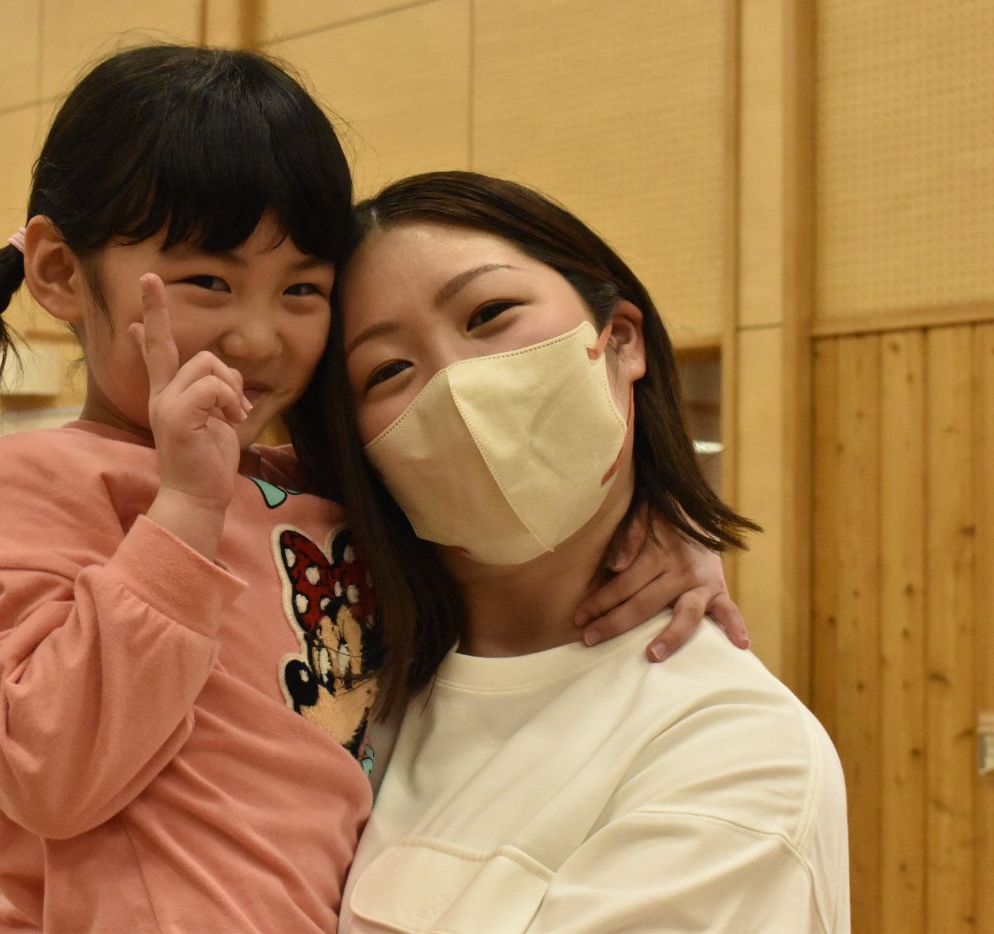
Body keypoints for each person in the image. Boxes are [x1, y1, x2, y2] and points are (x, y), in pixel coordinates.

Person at [0, 47, 746, 933]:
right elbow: (45, 772)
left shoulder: (318, 496)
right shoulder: (35, 486)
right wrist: (184, 512)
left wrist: (658, 538)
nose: (259, 336)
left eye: (302, 289)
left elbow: (497, 555)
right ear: (59, 272)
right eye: (208, 282)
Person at [289, 171, 850, 933]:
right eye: (388, 370)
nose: (456, 385)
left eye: (489, 314)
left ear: (620, 338)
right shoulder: (330, 670)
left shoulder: (734, 748)